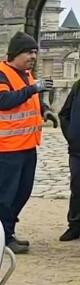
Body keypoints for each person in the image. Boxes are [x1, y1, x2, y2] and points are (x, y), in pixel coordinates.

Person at [0, 32, 58, 255]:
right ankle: (2, 238)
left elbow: (30, 102)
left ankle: (8, 232)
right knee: (6, 195)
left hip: (26, 145)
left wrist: (44, 109)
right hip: (5, 147)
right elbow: (2, 101)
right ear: (15, 54)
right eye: (28, 52)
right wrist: (33, 88)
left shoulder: (26, 74)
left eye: (35, 52)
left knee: (22, 192)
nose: (33, 56)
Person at [57, 74, 80, 242]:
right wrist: (71, 136)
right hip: (78, 149)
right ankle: (75, 226)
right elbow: (64, 114)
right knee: (77, 187)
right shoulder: (78, 87)